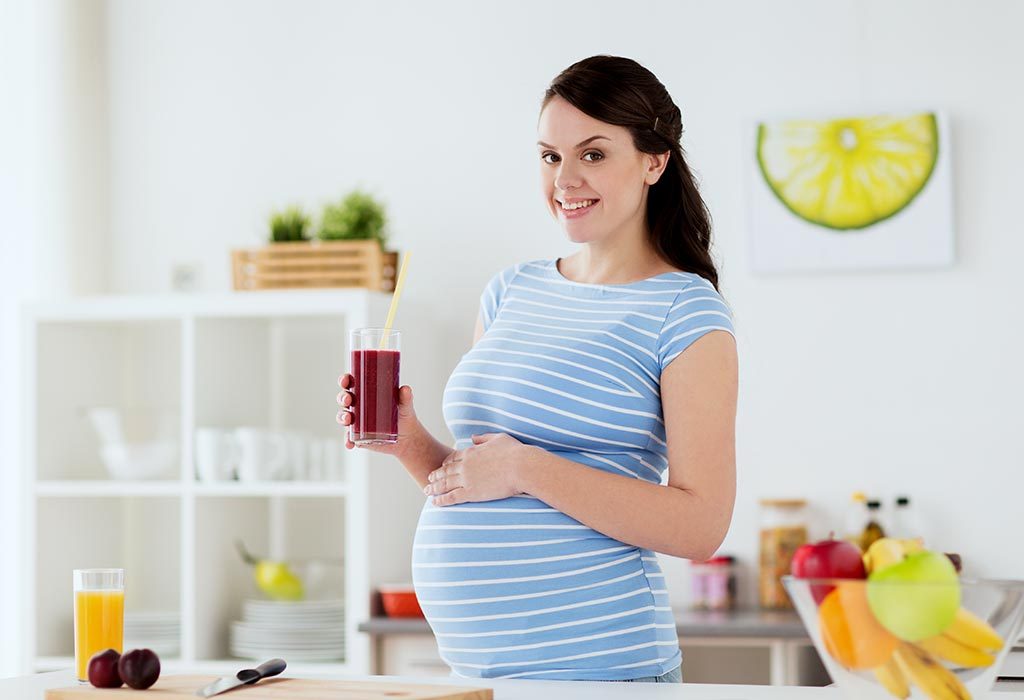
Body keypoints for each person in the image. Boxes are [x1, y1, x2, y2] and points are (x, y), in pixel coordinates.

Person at [338, 55, 738, 683]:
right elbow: (479, 477)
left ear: (655, 162)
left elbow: (701, 525)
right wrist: (408, 440)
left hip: (601, 674)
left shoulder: (684, 311)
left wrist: (527, 465)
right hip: (477, 676)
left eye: (594, 154)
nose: (565, 179)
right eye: (550, 156)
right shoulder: (510, 291)